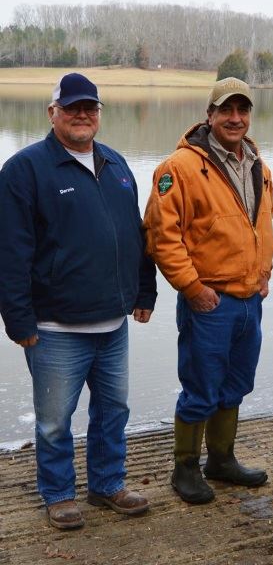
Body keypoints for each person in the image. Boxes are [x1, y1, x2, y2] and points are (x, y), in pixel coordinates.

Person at [0, 73, 157, 529]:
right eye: (71, 107)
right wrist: (18, 319)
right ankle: (59, 493)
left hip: (113, 324)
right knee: (54, 420)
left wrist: (143, 290)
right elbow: (10, 252)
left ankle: (108, 484)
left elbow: (137, 235)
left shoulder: (117, 164)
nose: (82, 115)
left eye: (90, 107)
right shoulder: (24, 170)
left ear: (100, 114)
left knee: (114, 411)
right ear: (53, 114)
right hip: (54, 329)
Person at [143, 77, 273, 504]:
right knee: (201, 385)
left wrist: (264, 272)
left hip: (250, 300)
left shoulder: (258, 163)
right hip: (210, 302)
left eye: (242, 110)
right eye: (226, 110)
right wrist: (192, 288)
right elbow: (162, 238)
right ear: (210, 115)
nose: (235, 119)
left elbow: (264, 225)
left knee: (235, 382)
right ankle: (185, 468)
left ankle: (221, 460)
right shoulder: (178, 168)